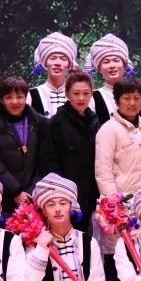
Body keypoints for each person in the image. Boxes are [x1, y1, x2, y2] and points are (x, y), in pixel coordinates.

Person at [23, 173, 125, 281]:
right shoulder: (35, 242)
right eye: (51, 205)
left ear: (71, 207)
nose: (57, 209)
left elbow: (98, 279)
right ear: (44, 211)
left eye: (63, 203)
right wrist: (41, 248)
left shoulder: (87, 241)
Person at [94, 77, 141, 269]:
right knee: (119, 254)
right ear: (117, 101)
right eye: (127, 98)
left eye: (137, 98)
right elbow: (103, 171)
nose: (132, 103)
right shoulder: (108, 130)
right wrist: (114, 207)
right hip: (120, 206)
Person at [0, 76, 47, 212]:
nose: (15, 102)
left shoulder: (39, 124)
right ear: (2, 100)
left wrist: (32, 190)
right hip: (3, 200)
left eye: (19, 97)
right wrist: (16, 191)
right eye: (9, 97)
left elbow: (45, 160)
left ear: (26, 98)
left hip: (35, 197)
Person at [38, 71, 101, 233]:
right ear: (67, 94)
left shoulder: (94, 121)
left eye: (86, 93)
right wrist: (62, 194)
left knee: (87, 239)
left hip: (91, 194)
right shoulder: (55, 123)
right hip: (65, 196)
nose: (81, 98)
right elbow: (49, 163)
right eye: (76, 93)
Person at [85, 33, 141, 129]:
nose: (112, 65)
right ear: (99, 68)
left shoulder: (140, 95)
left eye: (116, 60)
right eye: (106, 62)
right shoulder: (93, 98)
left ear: (124, 65)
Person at [28, 31, 78, 117]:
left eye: (63, 59)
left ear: (69, 65)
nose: (57, 63)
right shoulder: (31, 95)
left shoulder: (79, 95)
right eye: (53, 58)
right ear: (45, 63)